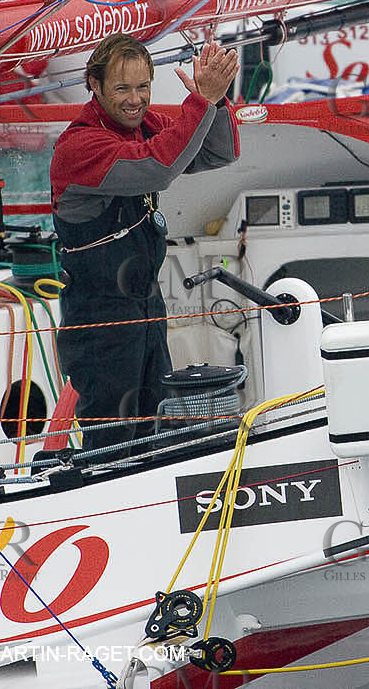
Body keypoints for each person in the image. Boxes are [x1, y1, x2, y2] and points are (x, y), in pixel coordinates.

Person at [50, 34, 240, 458]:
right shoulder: (79, 147)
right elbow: (158, 168)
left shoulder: (143, 126)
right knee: (113, 438)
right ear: (93, 86)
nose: (135, 100)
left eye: (143, 87)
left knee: (157, 425)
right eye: (122, 88)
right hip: (101, 318)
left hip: (146, 307)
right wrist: (200, 104)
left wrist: (217, 102)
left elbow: (218, 155)